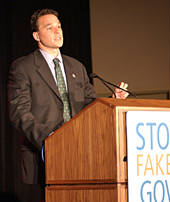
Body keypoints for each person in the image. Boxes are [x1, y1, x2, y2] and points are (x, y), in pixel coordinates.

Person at [7, 8, 128, 201]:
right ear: (36, 35)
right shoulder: (23, 67)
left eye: (59, 26)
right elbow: (19, 112)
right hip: (45, 151)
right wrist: (50, 140)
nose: (57, 31)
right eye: (50, 27)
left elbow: (90, 105)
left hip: (80, 149)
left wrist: (111, 100)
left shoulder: (76, 66)